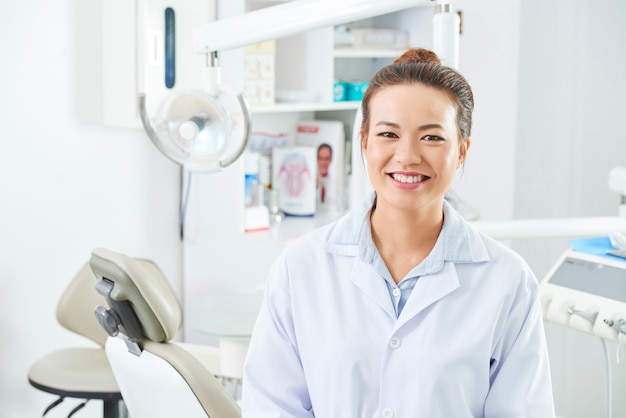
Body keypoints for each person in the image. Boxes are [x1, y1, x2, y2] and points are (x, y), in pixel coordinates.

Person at [241, 47, 555, 417]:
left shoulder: (507, 280)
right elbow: (272, 406)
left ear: (462, 151)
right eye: (389, 133)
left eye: (432, 138)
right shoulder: (301, 266)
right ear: (365, 143)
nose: (407, 156)